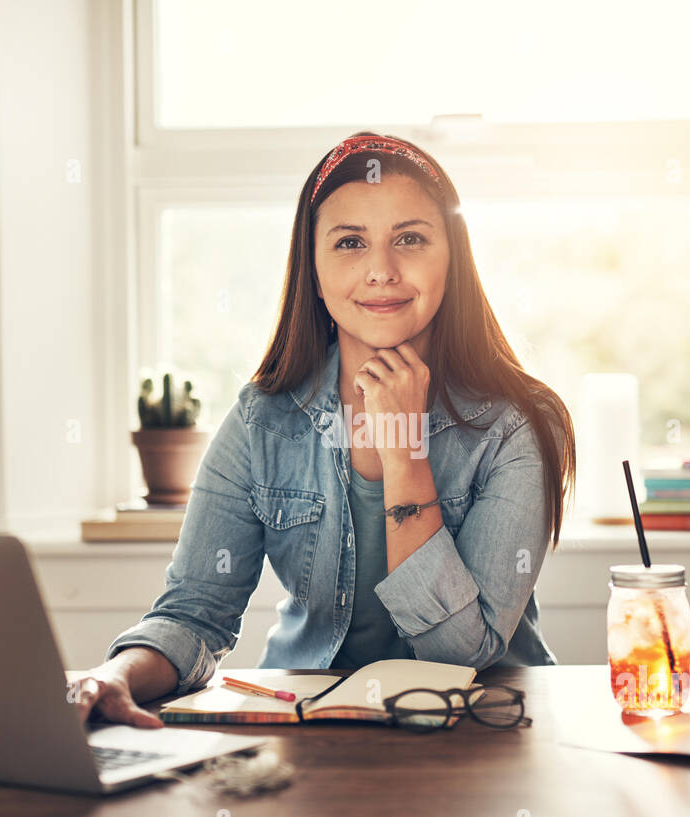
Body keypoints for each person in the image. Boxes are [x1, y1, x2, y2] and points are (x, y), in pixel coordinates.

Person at [72, 132, 576, 728]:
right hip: (307, 723)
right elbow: (194, 613)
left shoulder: (517, 424)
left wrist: (404, 451)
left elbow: (461, 655)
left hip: (482, 730)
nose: (381, 271)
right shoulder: (263, 421)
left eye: (410, 239)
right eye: (349, 243)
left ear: (453, 260)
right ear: (313, 270)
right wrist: (114, 675)